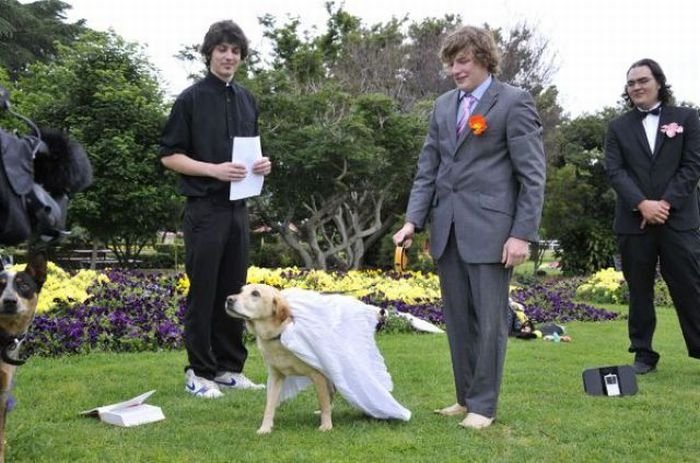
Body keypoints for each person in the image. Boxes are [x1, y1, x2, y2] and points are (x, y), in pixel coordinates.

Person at [392, 25, 545, 429]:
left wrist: (521, 234)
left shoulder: (514, 102)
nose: (455, 70)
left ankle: (484, 406)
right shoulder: (443, 106)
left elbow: (532, 175)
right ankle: (465, 398)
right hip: (448, 230)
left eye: (462, 61)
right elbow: (429, 168)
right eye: (450, 62)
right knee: (459, 320)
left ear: (482, 57)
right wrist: (413, 221)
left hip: (494, 233)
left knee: (491, 321)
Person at [159, 20, 272, 398]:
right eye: (222, 49)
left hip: (239, 210)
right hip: (204, 209)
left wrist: (262, 164)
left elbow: (250, 152)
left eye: (235, 51)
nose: (229, 56)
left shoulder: (247, 100)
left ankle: (229, 368)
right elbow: (169, 156)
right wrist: (213, 170)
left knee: (233, 291)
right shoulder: (189, 100)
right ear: (209, 53)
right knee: (204, 291)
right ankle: (199, 372)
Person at [604, 58, 700, 375]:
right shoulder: (617, 127)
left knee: (689, 286)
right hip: (634, 222)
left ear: (658, 82)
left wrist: (665, 204)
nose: (636, 87)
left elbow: (692, 166)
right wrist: (642, 204)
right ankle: (644, 354)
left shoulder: (687, 117)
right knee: (639, 290)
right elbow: (615, 171)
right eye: (631, 83)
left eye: (642, 80)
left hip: (679, 220)